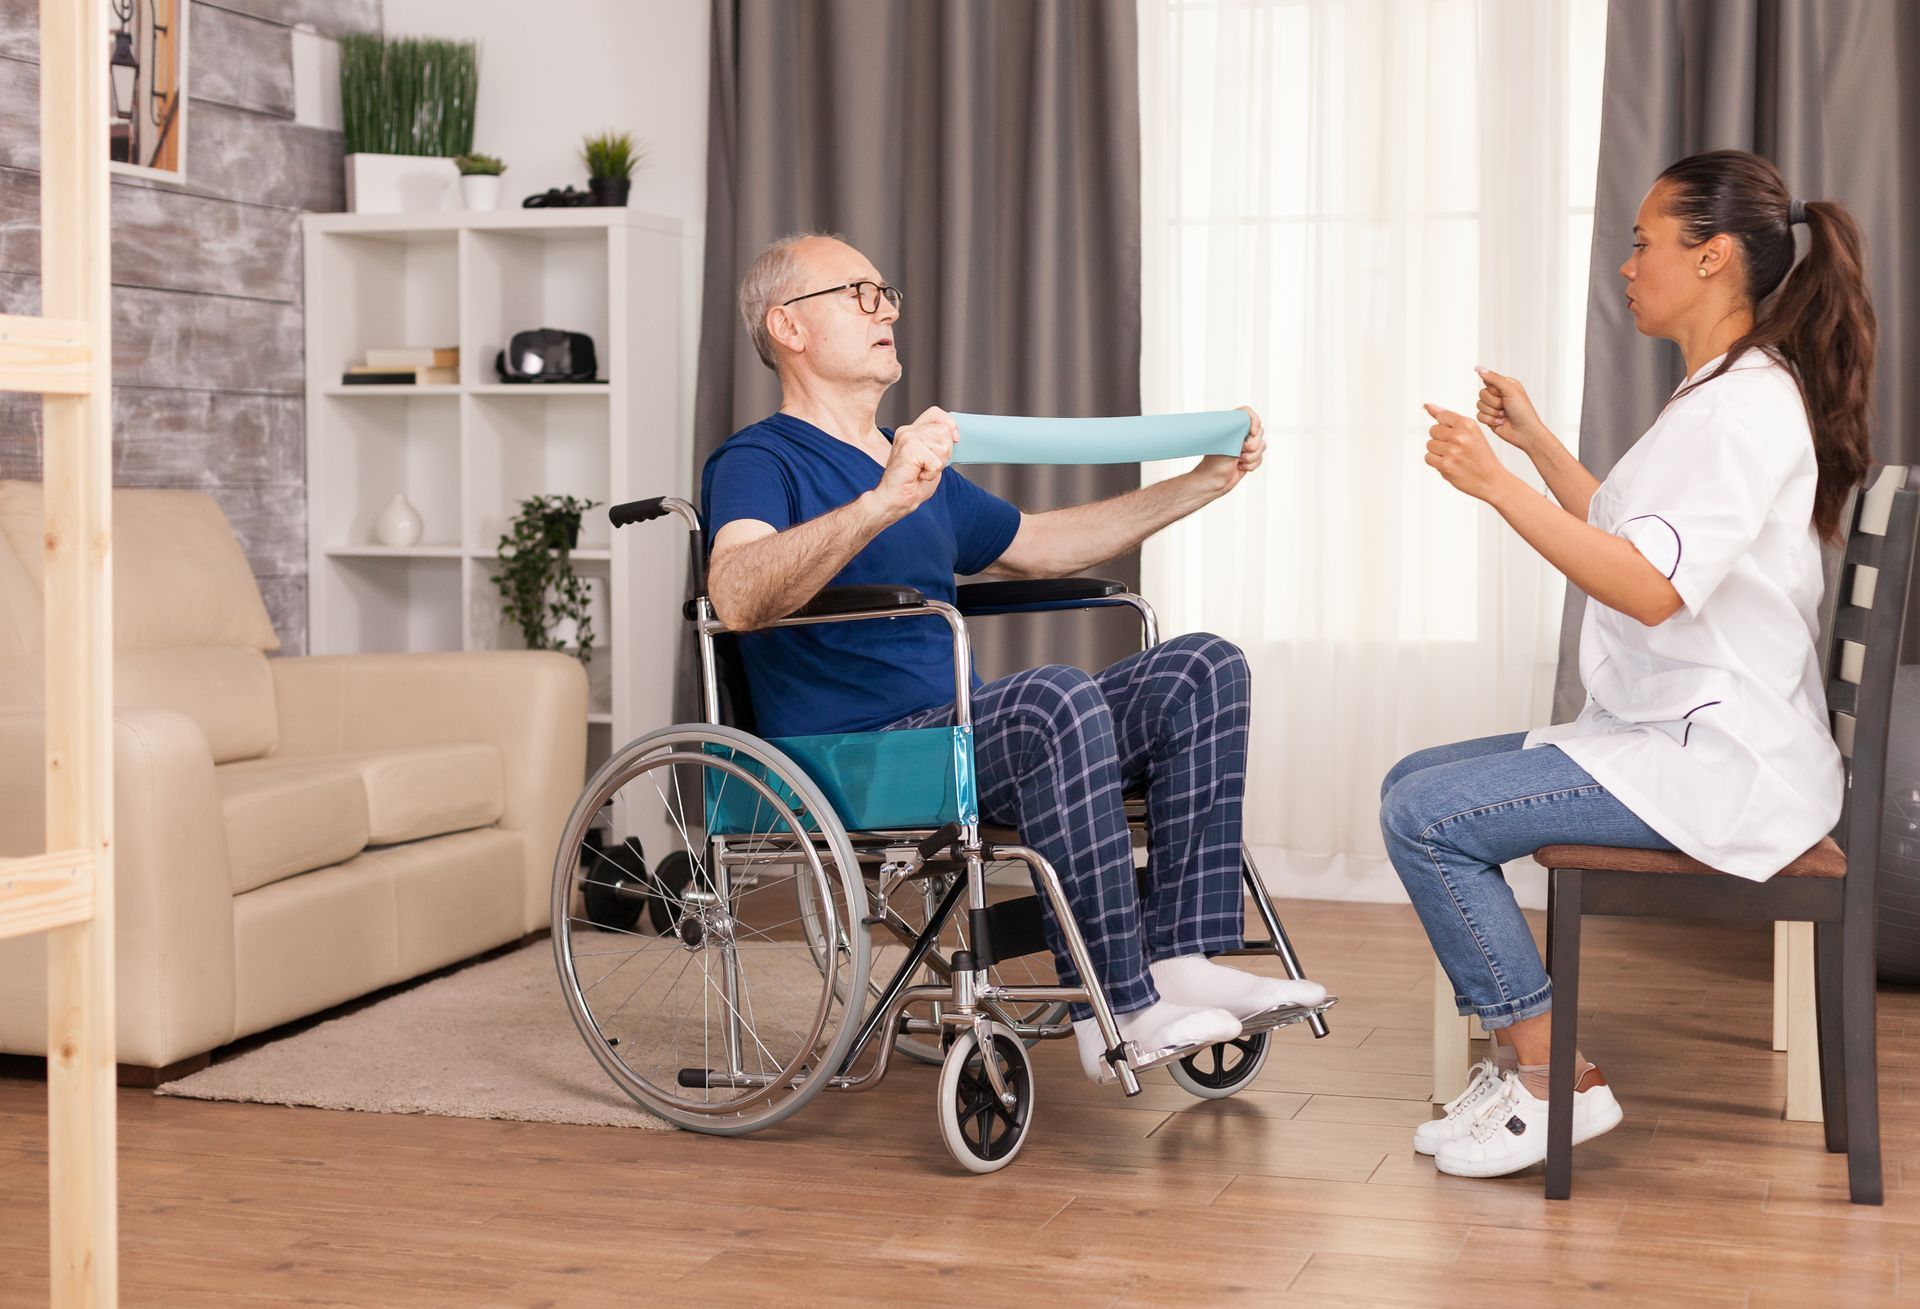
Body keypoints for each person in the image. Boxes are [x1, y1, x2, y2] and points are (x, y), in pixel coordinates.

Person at [702, 232, 1326, 1081]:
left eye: (886, 292)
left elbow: (1040, 544)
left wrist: (1202, 483)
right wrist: (881, 503)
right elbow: (737, 591)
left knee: (1203, 668)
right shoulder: (758, 459)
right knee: (1052, 697)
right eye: (858, 293)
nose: (886, 308)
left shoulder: (913, 464)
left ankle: (1181, 960)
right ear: (789, 327)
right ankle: (1120, 1009)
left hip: (958, 735)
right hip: (857, 752)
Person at [1382, 148, 1877, 1177]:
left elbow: (1649, 586)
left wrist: (1496, 489)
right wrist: (1534, 447)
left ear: (1714, 257)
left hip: (1720, 759)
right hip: (1685, 731)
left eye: (1645, 241)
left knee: (1425, 817)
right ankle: (1527, 1062)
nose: (1627, 263)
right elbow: (1631, 527)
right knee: (1408, 784)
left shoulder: (1742, 407)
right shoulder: (1724, 392)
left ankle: (1554, 1077)